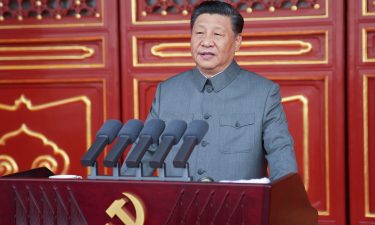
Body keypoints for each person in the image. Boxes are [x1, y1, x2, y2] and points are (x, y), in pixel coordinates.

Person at [122, 1, 297, 181]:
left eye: (218, 34)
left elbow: (280, 154)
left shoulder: (264, 93)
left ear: (237, 42)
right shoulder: (167, 91)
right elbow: (143, 156)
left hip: (239, 207)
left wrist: (287, 204)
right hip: (176, 207)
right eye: (199, 33)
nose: (206, 42)